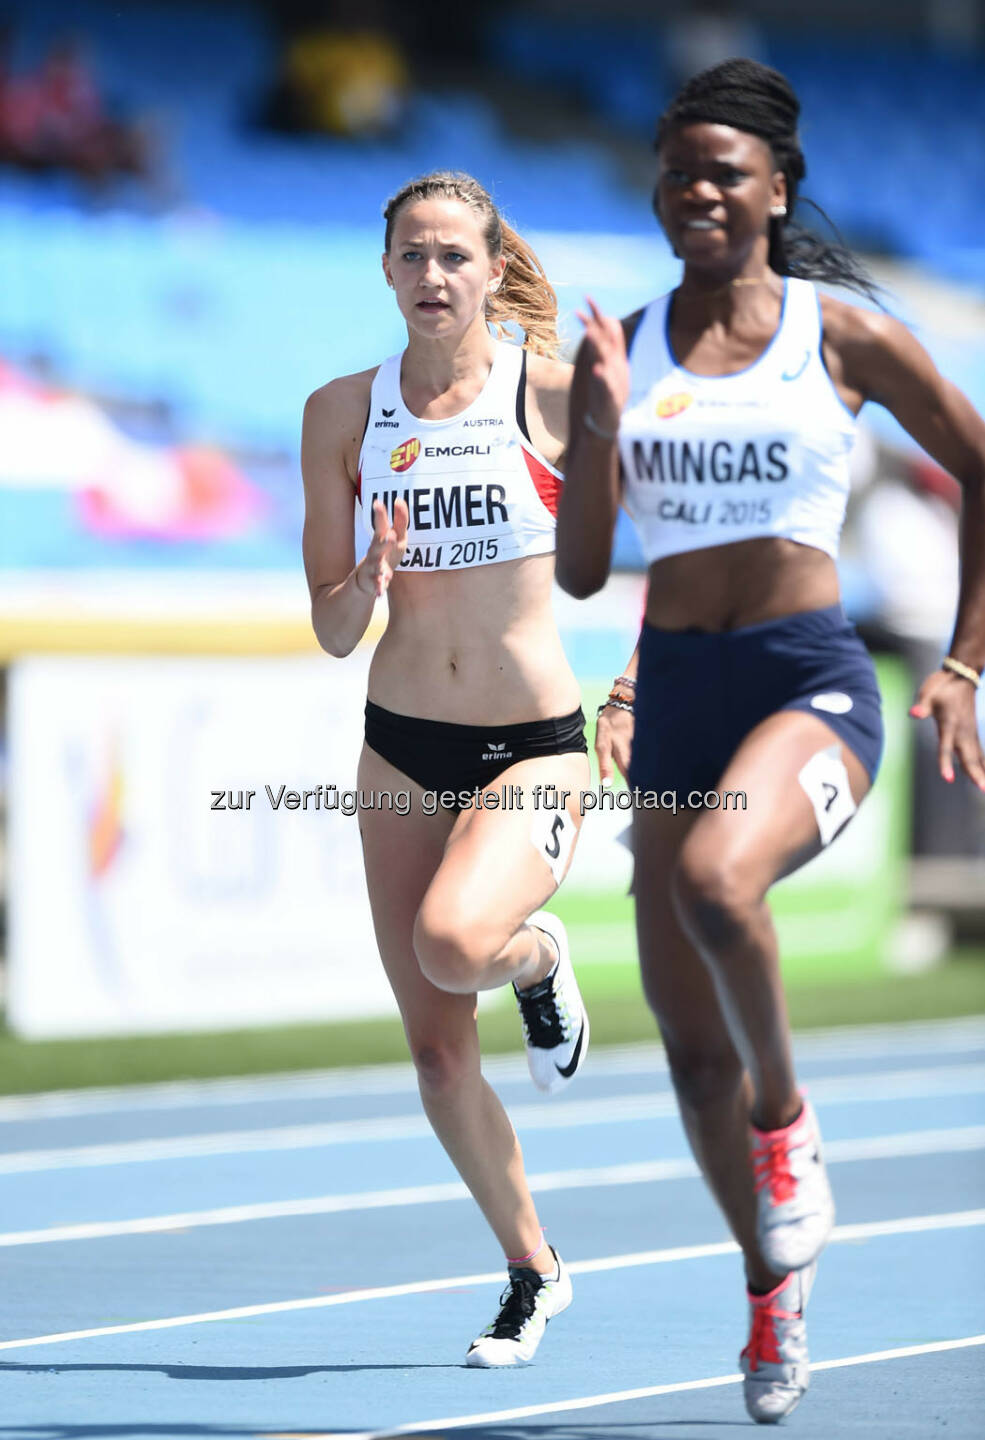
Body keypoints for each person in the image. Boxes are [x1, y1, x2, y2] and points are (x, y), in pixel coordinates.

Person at [556, 58, 985, 1423]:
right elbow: (579, 574)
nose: (697, 189)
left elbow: (979, 468)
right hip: (681, 685)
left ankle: (788, 1125)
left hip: (812, 681)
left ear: (775, 189)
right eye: (678, 168)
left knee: (712, 884)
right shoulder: (622, 346)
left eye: (724, 170)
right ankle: (769, 1293)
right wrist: (601, 430)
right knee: (687, 1054)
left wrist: (967, 660)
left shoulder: (842, 337)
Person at [301, 171, 592, 1367]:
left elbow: (674, 556)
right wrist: (365, 584)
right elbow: (327, 627)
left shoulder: (559, 396)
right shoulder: (338, 413)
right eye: (412, 256)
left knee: (454, 944)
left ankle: (539, 959)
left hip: (533, 746)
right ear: (385, 270)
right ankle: (532, 1270)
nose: (433, 277)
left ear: (488, 268)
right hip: (400, 743)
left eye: (454, 258)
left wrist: (633, 692)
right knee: (434, 1050)